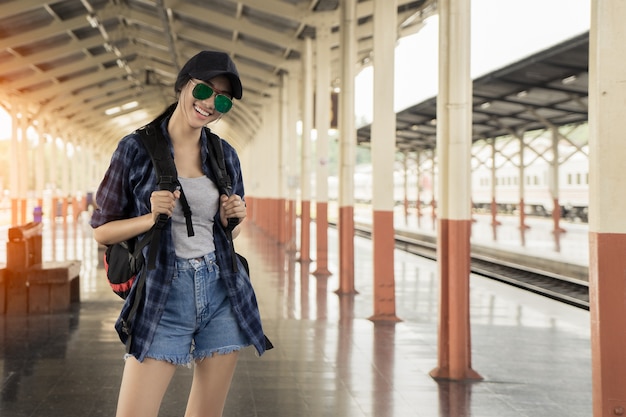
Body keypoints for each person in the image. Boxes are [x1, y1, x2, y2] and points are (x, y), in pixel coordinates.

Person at [90, 51, 271, 417]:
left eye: (222, 100)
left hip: (222, 290)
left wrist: (232, 219)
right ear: (183, 85)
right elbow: (102, 232)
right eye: (204, 90)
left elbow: (226, 236)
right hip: (163, 293)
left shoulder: (225, 154)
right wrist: (149, 217)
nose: (209, 104)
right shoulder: (135, 148)